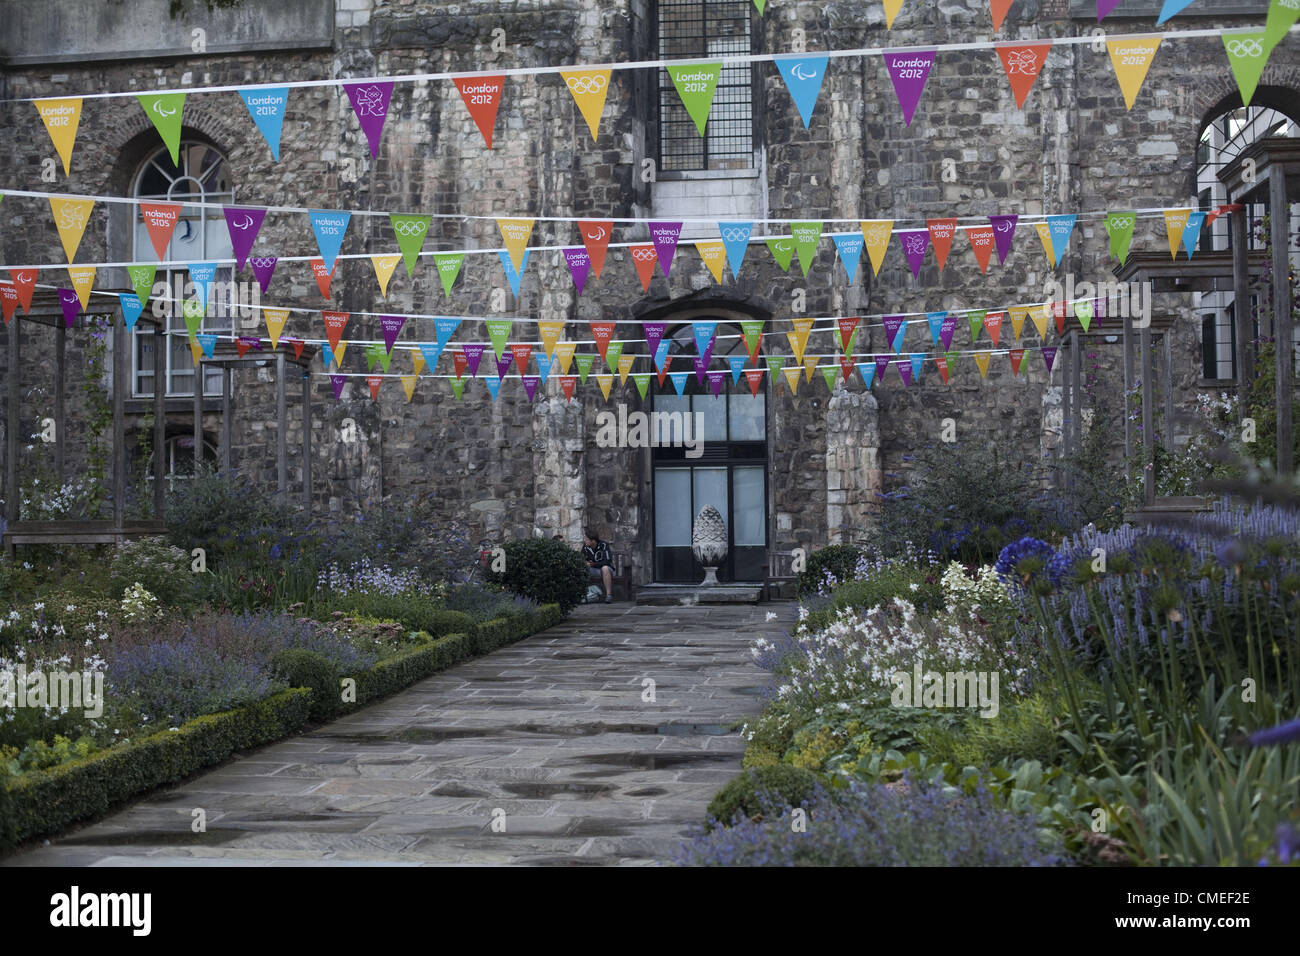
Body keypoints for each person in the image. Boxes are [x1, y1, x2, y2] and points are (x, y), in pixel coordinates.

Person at [582, 528, 615, 604]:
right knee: (582, 568)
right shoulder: (585, 547)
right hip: (593, 570)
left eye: (587, 539)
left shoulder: (604, 545)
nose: (585, 541)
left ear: (593, 541)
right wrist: (585, 563)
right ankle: (584, 594)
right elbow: (581, 558)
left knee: (605, 568)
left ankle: (608, 595)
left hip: (605, 570)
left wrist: (593, 564)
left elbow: (607, 561)